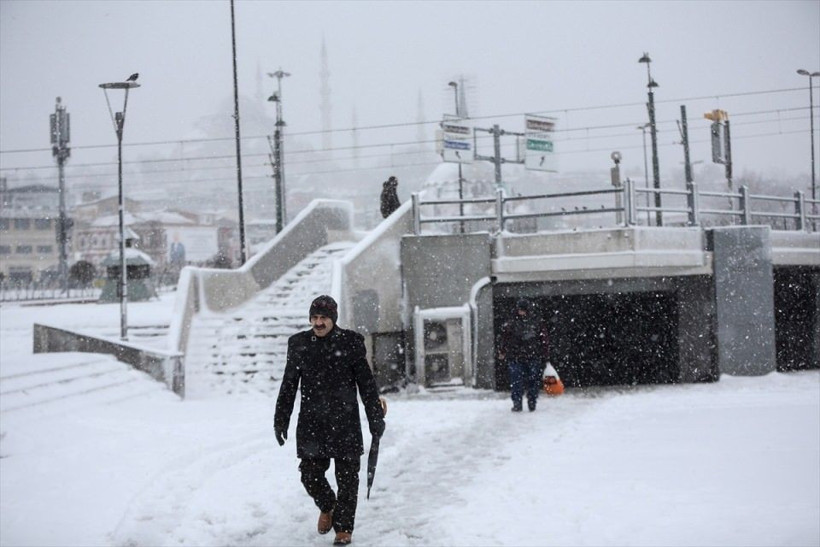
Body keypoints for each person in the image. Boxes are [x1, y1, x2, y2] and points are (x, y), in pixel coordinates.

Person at [274, 295, 386, 546]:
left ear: (332, 318)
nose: (318, 322)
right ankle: (328, 505)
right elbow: (289, 384)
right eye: (314, 318)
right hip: (313, 422)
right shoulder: (299, 344)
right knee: (309, 474)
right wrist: (281, 418)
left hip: (345, 420)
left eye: (323, 317)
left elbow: (366, 384)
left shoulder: (351, 343)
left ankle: (344, 528)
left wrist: (374, 417)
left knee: (348, 478)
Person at [497, 299, 549, 412]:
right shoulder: (514, 322)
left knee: (531, 381)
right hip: (518, 356)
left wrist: (544, 354)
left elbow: (543, 339)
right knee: (518, 382)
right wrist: (502, 350)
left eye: (523, 310)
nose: (521, 312)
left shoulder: (534, 322)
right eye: (520, 309)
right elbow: (504, 338)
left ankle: (531, 401)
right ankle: (518, 403)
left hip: (530, 356)